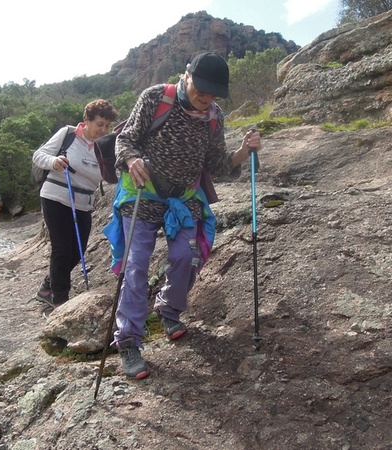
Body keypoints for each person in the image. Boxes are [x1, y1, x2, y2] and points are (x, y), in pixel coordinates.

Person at [104, 52, 262, 379]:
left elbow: (217, 165)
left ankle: (169, 309)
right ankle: (129, 340)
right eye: (200, 92)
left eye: (212, 95)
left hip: (183, 199)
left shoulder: (214, 118)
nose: (205, 100)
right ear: (186, 76)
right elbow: (125, 139)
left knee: (186, 256)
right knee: (136, 266)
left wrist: (245, 151)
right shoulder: (155, 98)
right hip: (142, 194)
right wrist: (132, 159)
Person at [32, 99, 119, 307]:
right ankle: (60, 301)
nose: (103, 129)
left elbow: (110, 175)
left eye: (107, 126)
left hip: (83, 203)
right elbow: (39, 155)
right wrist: (54, 161)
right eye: (99, 124)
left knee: (76, 253)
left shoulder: (105, 146)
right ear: (86, 120)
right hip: (56, 196)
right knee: (62, 250)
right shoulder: (68, 134)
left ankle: (48, 286)